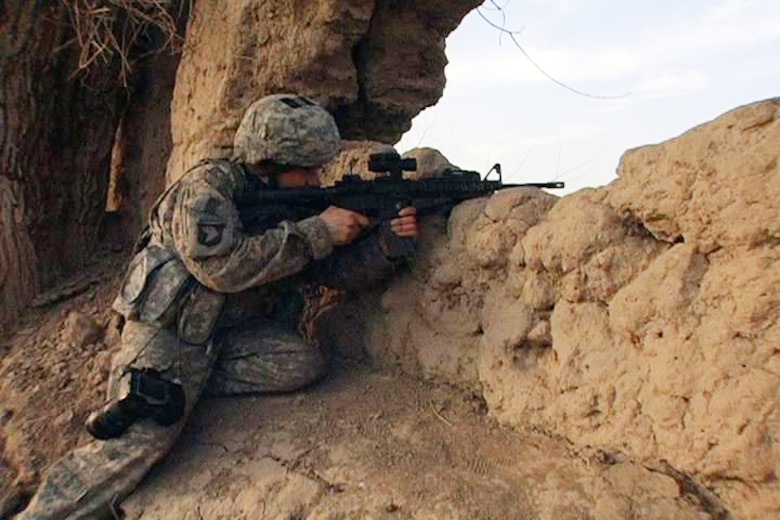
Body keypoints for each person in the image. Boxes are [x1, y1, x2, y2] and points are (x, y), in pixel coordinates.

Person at [18, 93, 417, 519]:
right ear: (272, 162)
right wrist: (318, 232)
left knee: (302, 363)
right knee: (139, 445)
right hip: (171, 333)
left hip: (224, 336)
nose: (316, 180)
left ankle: (191, 382)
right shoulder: (206, 191)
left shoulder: (293, 201)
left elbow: (331, 274)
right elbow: (222, 269)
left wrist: (386, 248)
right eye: (307, 170)